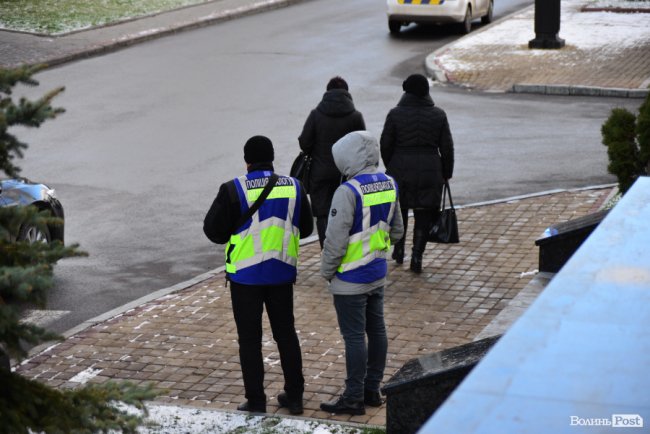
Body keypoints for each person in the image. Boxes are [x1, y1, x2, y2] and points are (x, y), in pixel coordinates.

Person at [203, 135, 314, 415]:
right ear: (272, 158)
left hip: (245, 279)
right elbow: (308, 228)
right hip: (281, 274)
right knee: (286, 334)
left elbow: (213, 231)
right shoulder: (294, 187)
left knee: (250, 341)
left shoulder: (233, 189)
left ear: (247, 160)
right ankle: (295, 396)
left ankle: (256, 401)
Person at [319, 131, 404, 415]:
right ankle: (372, 390)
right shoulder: (389, 183)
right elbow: (398, 230)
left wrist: (327, 271)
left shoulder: (348, 191)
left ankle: (353, 397)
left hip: (349, 279)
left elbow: (335, 240)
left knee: (354, 337)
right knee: (377, 329)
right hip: (377, 273)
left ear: (345, 159)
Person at [380, 73, 455, 273]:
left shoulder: (395, 114)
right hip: (430, 170)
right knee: (424, 214)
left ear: (406, 92)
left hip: (400, 169)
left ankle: (398, 249)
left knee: (400, 210)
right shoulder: (438, 114)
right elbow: (447, 147)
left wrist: (392, 165)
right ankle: (417, 256)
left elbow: (385, 144)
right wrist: (446, 172)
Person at [298, 76, 366, 248]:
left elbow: (304, 142)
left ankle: (326, 251)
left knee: (322, 214)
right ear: (347, 94)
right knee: (346, 212)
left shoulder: (316, 115)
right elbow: (362, 146)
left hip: (319, 173)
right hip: (346, 174)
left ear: (327, 93)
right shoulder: (355, 117)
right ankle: (343, 250)